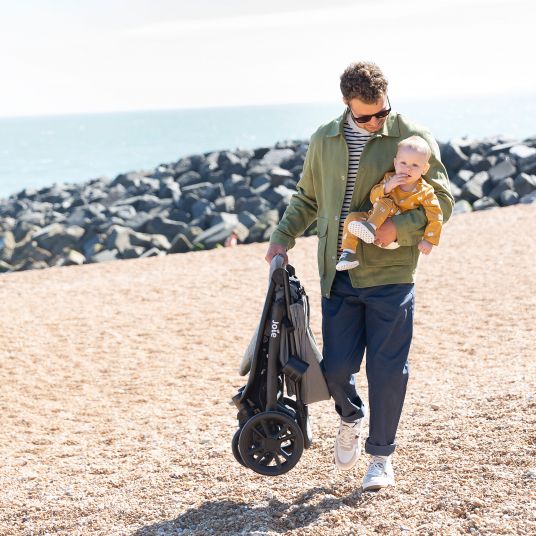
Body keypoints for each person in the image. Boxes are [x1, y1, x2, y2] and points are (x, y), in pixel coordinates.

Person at [264, 61, 453, 491]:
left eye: (381, 113)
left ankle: (381, 457)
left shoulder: (412, 138)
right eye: (365, 116)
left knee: (388, 370)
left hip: (391, 273)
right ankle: (351, 416)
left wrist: (396, 231)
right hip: (338, 271)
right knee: (337, 368)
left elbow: (441, 198)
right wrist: (282, 237)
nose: (374, 123)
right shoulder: (324, 139)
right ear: (346, 106)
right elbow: (307, 198)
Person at [336, 135, 443, 271]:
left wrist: (429, 240)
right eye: (403, 163)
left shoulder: (425, 191)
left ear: (424, 169)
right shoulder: (389, 178)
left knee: (386, 202)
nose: (407, 168)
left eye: (415, 165)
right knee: (352, 218)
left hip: (394, 233)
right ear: (395, 163)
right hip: (375, 218)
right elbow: (373, 198)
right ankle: (348, 254)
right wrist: (387, 186)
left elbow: (436, 216)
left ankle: (370, 227)